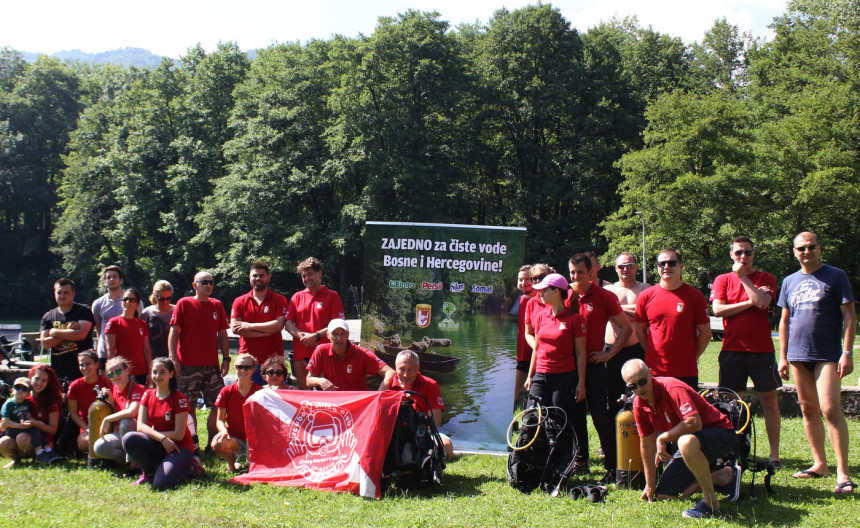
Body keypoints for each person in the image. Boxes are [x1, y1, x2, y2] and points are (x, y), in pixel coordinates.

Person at [777, 231, 856, 494]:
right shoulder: (789, 281)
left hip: (828, 354)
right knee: (808, 410)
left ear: (820, 249)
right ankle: (819, 464)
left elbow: (850, 318)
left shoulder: (836, 276)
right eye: (801, 248)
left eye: (811, 247)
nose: (806, 252)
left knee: (831, 409)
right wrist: (782, 355)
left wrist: (847, 353)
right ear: (794, 252)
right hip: (798, 355)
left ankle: (843, 473)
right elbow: (785, 320)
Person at [622, 359, 738, 519]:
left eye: (642, 382)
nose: (639, 389)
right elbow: (647, 446)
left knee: (685, 442)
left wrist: (663, 438)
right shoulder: (639, 405)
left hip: (721, 434)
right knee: (664, 494)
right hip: (690, 446)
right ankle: (721, 477)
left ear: (650, 373)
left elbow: (694, 422)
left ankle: (711, 502)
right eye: (632, 386)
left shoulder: (672, 388)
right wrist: (650, 485)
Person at [710, 236, 782, 467]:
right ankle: (734, 452)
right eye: (739, 253)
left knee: (770, 401)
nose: (743, 257)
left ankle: (774, 455)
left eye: (748, 253)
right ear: (731, 254)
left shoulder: (765, 278)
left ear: (753, 254)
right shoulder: (722, 280)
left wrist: (743, 278)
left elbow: (762, 302)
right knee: (732, 403)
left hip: (761, 351)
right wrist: (751, 302)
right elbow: (718, 310)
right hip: (733, 350)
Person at [568, 253, 632, 483]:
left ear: (591, 272)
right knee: (575, 417)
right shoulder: (566, 296)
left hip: (595, 365)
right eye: (572, 273)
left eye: (580, 272)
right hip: (569, 366)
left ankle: (612, 467)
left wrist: (609, 353)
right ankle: (580, 461)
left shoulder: (604, 296)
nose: (576, 277)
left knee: (599, 416)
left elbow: (625, 328)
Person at [523, 274, 587, 471]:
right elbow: (536, 348)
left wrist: (581, 383)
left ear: (557, 291)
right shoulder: (541, 315)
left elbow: (580, 353)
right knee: (533, 417)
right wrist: (530, 375)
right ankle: (535, 462)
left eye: (544, 290)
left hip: (564, 377)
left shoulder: (575, 319)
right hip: (540, 375)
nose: (540, 293)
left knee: (560, 421)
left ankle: (563, 464)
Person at [168, 271, 230, 452]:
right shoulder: (184, 303)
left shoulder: (217, 305)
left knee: (218, 405)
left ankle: (212, 444)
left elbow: (223, 334)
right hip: (186, 365)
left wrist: (226, 359)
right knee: (189, 407)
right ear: (195, 285)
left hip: (211, 365)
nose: (208, 285)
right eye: (204, 282)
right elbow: (173, 332)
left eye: (211, 282)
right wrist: (173, 358)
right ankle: (192, 445)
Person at [635, 249, 711, 389]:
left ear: (681, 266)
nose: (666, 267)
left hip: (685, 371)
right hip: (655, 370)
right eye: (662, 264)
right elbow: (640, 331)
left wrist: (693, 357)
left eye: (672, 263)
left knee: (686, 411)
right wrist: (653, 354)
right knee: (657, 410)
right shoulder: (646, 296)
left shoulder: (695, 296)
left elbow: (705, 333)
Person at [122, 357, 200, 490]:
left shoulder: (179, 398)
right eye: (154, 372)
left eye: (162, 372)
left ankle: (191, 468)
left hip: (180, 448)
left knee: (160, 485)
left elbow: (179, 434)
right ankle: (148, 473)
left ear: (171, 374)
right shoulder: (147, 395)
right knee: (129, 438)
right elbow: (140, 426)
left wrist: (161, 437)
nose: (157, 376)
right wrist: (162, 438)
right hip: (160, 443)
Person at [284, 257, 345, 390]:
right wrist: (302, 337)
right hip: (301, 353)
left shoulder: (332, 296)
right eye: (303, 276)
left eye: (310, 274)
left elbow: (338, 324)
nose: (307, 279)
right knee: (304, 395)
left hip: (325, 353)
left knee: (325, 393)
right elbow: (288, 323)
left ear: (320, 273)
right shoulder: (296, 297)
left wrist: (315, 336)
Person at [230, 261, 289, 385]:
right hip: (248, 361)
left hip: (273, 361)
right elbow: (236, 329)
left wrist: (249, 326)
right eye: (255, 276)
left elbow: (278, 325)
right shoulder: (239, 301)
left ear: (268, 277)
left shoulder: (279, 299)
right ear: (249, 278)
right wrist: (265, 332)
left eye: (262, 275)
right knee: (248, 398)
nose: (258, 279)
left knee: (272, 399)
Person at [389, 350, 454, 458]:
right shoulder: (387, 385)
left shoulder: (430, 385)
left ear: (418, 368)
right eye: (402, 369)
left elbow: (435, 423)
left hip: (422, 434)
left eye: (410, 370)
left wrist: (418, 436)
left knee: (446, 446)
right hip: (395, 435)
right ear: (395, 367)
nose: (405, 374)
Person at [0, 364, 63, 466]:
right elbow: (4, 424)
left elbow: (52, 430)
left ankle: (40, 458)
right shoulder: (20, 398)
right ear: (30, 378)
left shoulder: (51, 401)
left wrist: (35, 423)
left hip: (43, 441)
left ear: (48, 383)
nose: (39, 383)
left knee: (22, 437)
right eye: (37, 379)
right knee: (3, 442)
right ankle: (17, 461)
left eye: (43, 380)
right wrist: (4, 424)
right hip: (17, 434)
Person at [306, 319, 394, 391]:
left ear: (348, 335)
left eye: (342, 334)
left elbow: (391, 372)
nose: (339, 338)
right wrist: (320, 381)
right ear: (328, 335)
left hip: (357, 403)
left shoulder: (362, 354)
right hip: (332, 403)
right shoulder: (321, 350)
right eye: (335, 334)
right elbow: (308, 380)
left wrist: (379, 394)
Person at [211, 353, 261, 471]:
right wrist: (223, 430)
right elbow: (219, 419)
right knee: (217, 444)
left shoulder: (260, 392)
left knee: (253, 468)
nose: (243, 370)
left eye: (247, 367)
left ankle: (253, 461)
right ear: (235, 368)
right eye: (239, 367)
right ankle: (231, 463)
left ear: (253, 369)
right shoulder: (226, 391)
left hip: (255, 439)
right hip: (234, 438)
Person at [40, 278, 95, 382]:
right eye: (59, 292)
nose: (62, 296)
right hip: (59, 372)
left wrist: (54, 332)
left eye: (66, 292)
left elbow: (80, 335)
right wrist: (68, 330)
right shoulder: (48, 316)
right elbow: (45, 343)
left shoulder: (84, 311)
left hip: (83, 371)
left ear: (73, 294)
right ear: (54, 294)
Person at [93, 356, 146, 465]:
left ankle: (133, 465)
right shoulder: (115, 389)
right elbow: (118, 412)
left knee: (126, 423)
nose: (115, 376)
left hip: (140, 435)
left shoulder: (138, 388)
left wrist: (106, 419)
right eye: (111, 374)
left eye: (118, 371)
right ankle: (134, 461)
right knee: (99, 447)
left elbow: (132, 412)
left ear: (126, 371)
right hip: (124, 436)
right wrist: (111, 400)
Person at [66, 350, 113, 454]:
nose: (84, 368)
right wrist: (86, 428)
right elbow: (73, 412)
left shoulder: (107, 382)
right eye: (81, 365)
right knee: (85, 442)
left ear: (96, 365)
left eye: (88, 364)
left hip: (108, 423)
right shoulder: (75, 386)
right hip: (87, 424)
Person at [92, 265, 137, 373]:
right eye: (108, 277)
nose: (111, 279)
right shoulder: (98, 304)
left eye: (115, 277)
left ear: (121, 280)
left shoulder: (131, 300)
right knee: (106, 384)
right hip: (104, 353)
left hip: (127, 351)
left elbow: (138, 322)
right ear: (104, 281)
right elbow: (98, 329)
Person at [105, 288, 152, 385]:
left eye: (131, 300)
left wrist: (150, 371)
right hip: (122, 373)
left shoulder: (142, 324)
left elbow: (146, 350)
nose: (127, 302)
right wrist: (111, 373)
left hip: (142, 373)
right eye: (125, 299)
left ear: (137, 304)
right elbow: (111, 351)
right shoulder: (114, 322)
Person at [514, 264, 537, 407]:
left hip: (539, 356)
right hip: (521, 355)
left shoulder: (544, 300)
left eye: (527, 279)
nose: (523, 283)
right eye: (520, 280)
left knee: (535, 396)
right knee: (512, 393)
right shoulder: (521, 300)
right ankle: (510, 424)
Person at [141, 281, 174, 358]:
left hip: (173, 356)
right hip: (153, 357)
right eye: (161, 299)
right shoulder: (146, 313)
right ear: (155, 296)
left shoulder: (176, 311)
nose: (165, 302)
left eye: (168, 298)